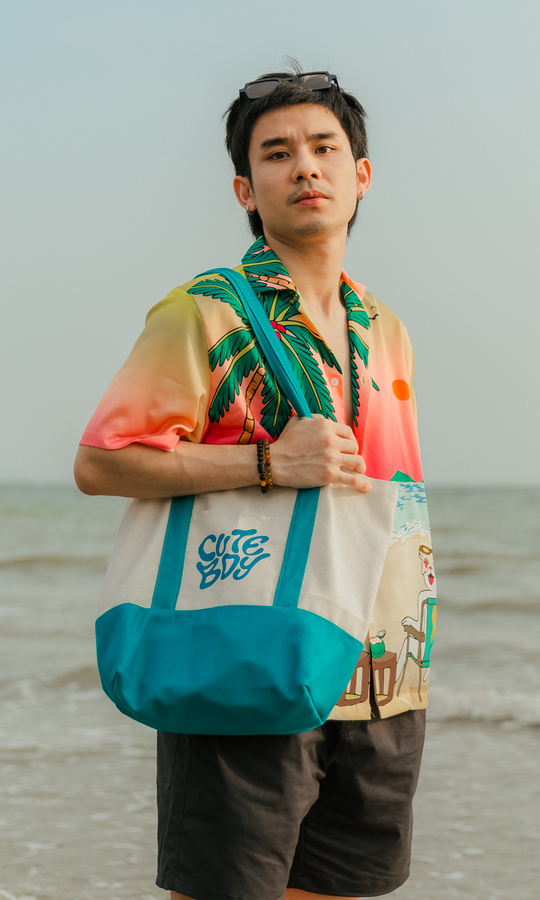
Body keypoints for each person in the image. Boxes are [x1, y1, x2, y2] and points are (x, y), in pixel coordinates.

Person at [75, 67, 433, 900]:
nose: (305, 167)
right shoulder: (206, 312)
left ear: (360, 175)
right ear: (246, 186)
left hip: (384, 673)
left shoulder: (386, 328)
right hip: (250, 655)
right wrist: (270, 463)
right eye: (277, 153)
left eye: (324, 148)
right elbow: (101, 462)